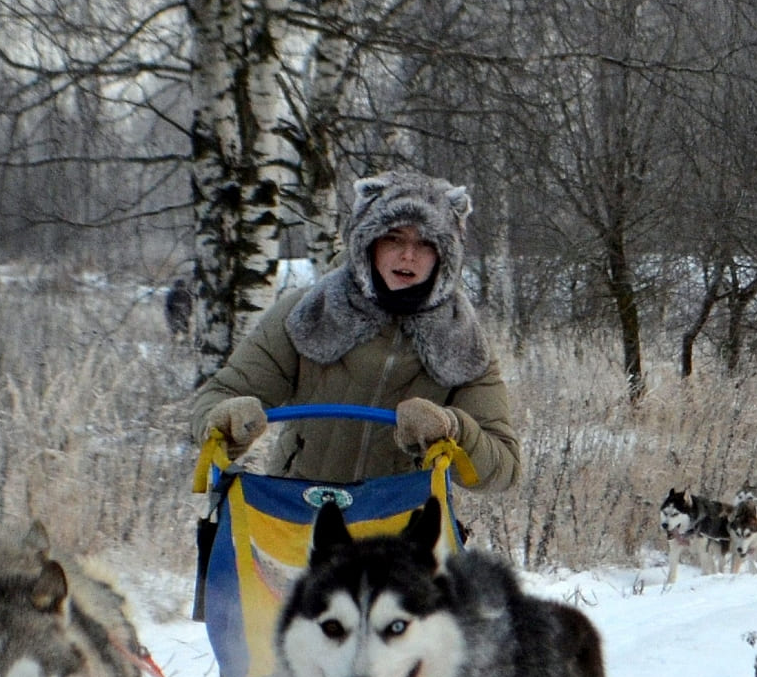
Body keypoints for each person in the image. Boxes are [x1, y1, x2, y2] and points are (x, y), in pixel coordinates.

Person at [188, 171, 522, 492]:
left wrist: (453, 429)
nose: (408, 255)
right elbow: (217, 397)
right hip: (298, 515)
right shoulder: (308, 312)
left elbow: (504, 468)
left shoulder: (462, 340)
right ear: (367, 243)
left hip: (404, 529)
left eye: (426, 243)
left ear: (444, 257)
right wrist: (226, 420)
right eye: (394, 238)